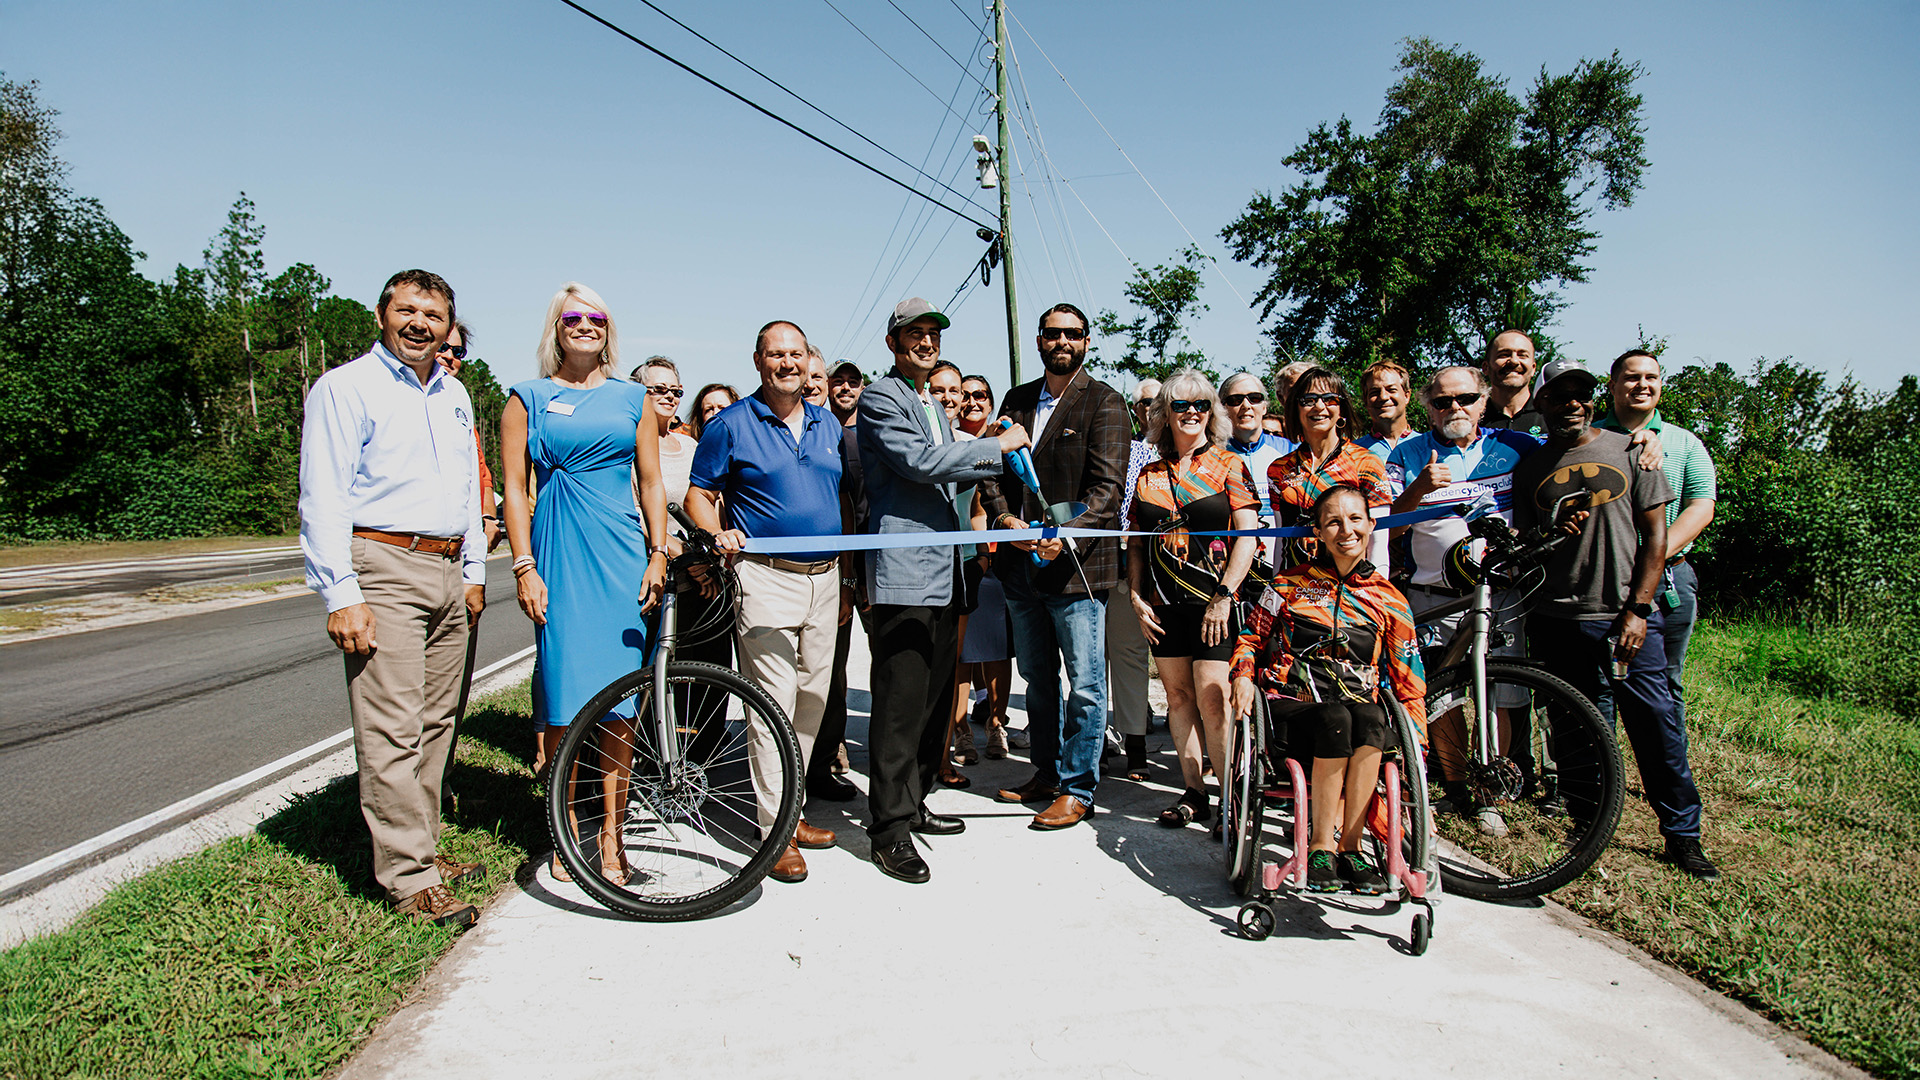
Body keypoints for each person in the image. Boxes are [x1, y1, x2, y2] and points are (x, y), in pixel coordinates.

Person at [299, 269, 489, 927]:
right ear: (382, 315)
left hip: (444, 568)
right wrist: (340, 592)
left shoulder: (454, 394)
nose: (419, 323)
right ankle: (409, 880)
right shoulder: (345, 388)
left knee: (438, 720)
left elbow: (468, 488)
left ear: (446, 325)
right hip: (380, 563)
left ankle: (425, 848)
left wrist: (472, 570)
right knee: (391, 726)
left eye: (432, 315)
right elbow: (322, 494)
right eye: (406, 310)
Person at [1512, 358, 1717, 880]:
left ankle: (1682, 836)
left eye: (1580, 394)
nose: (1571, 404)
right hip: (1557, 616)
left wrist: (1639, 610)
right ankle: (1588, 823)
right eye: (1559, 396)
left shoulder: (1630, 451)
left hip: (1623, 615)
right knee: (1577, 726)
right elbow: (1528, 542)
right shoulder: (1531, 467)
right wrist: (1552, 532)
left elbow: (1657, 539)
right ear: (1541, 403)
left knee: (1656, 723)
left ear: (1592, 399)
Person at [502, 282, 670, 887]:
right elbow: (515, 489)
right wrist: (524, 565)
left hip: (622, 554)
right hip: (558, 555)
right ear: (556, 328)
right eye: (573, 317)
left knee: (621, 703)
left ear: (608, 328)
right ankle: (565, 831)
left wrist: (657, 552)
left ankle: (612, 839)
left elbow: (651, 482)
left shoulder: (633, 399)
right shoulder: (528, 398)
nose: (585, 325)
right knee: (566, 697)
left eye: (596, 317)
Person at [856, 298, 1028, 882]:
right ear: (893, 341)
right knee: (900, 705)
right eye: (915, 334)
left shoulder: (930, 399)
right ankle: (888, 830)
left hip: (945, 572)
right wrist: (994, 448)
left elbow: (955, 467)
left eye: (933, 334)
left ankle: (914, 800)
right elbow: (920, 463)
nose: (926, 342)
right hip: (905, 573)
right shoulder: (883, 397)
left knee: (932, 702)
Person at [687, 320, 848, 884]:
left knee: (811, 699)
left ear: (808, 361)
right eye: (776, 354)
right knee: (771, 704)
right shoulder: (731, 425)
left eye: (796, 354)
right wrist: (717, 533)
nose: (788, 363)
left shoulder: (827, 422)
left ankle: (792, 810)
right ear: (758, 361)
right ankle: (774, 830)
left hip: (825, 580)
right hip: (764, 577)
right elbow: (698, 494)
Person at [1230, 484, 1427, 893]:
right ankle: (1321, 846)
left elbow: (1409, 682)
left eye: (1356, 519)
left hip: (1358, 721)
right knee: (1336, 716)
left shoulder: (1390, 601)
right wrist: (1243, 676)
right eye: (1333, 522)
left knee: (1372, 716)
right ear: (1317, 533)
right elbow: (1250, 637)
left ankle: (1351, 848)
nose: (1346, 530)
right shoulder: (1286, 585)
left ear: (1372, 526)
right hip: (1293, 713)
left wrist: (1417, 746)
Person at [978, 303, 1129, 831]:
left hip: (1078, 572)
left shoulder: (1106, 403)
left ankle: (1078, 787)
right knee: (1037, 682)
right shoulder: (1017, 399)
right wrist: (1002, 517)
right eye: (1052, 333)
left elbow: (1106, 493)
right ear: (1039, 340)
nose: (1062, 341)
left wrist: (1063, 537)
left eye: (1073, 334)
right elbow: (990, 468)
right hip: (1022, 570)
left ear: (1087, 341)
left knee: (1086, 685)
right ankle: (1045, 773)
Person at [1384, 365, 1530, 831]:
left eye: (1465, 398)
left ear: (1483, 401)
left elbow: (1575, 455)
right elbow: (1390, 527)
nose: (1455, 409)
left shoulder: (1518, 447)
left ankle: (1492, 791)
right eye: (1443, 401)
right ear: (1426, 407)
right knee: (1443, 695)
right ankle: (1458, 784)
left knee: (1500, 692)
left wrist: (1640, 442)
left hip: (1501, 591)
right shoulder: (1408, 454)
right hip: (1433, 595)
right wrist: (1419, 488)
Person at [1127, 371, 1261, 829]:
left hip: (1214, 603)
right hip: (1162, 605)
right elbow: (1135, 543)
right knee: (1178, 697)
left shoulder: (1229, 465)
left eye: (1200, 405)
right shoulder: (1148, 475)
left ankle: (1230, 798)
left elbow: (1248, 537)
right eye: (1180, 405)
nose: (1191, 412)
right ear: (1163, 413)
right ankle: (1194, 793)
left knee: (1213, 698)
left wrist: (1225, 596)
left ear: (1212, 412)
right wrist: (1134, 595)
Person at [1597, 350, 1717, 735]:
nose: (1642, 385)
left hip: (1670, 578)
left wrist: (1654, 557)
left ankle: (1669, 773)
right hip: (1602, 580)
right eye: (1632, 377)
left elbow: (1701, 505)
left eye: (1651, 377)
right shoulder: (1591, 437)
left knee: (1666, 682)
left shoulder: (1685, 442)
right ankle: (1601, 780)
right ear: (1612, 385)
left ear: (1661, 385)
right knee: (1599, 684)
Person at [634, 355, 733, 690]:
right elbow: (638, 511)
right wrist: (684, 558)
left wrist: (710, 559)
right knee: (656, 672)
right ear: (638, 391)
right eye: (658, 389)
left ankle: (707, 741)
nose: (670, 397)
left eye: (676, 390)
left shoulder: (691, 445)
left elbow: (711, 502)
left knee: (706, 672)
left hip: (704, 574)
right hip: (659, 576)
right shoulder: (628, 446)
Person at [1267, 366, 1393, 570]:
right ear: (1295, 409)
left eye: (1329, 399)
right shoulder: (1278, 469)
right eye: (1308, 400)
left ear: (1341, 408)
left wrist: (1373, 593)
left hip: (1347, 588)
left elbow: (1377, 541)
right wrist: (1275, 587)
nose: (1319, 406)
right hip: (1295, 589)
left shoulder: (1366, 462)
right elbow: (1281, 540)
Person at [956, 373, 1019, 759]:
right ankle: (960, 728)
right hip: (962, 557)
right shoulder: (947, 442)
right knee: (961, 651)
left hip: (1001, 557)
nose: (972, 402)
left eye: (981, 395)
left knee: (997, 647)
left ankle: (997, 723)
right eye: (965, 395)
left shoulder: (1006, 439)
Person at [1103, 380, 1161, 781]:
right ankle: (1096, 743)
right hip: (1100, 562)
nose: (1152, 408)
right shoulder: (1116, 448)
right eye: (1145, 402)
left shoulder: (1165, 452)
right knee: (1092, 661)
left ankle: (1136, 745)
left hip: (1146, 567)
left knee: (1129, 656)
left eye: (1161, 401)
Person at [435, 323, 501, 552]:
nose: (449, 356)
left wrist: (489, 517)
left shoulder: (459, 401)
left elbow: (480, 469)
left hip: (462, 539)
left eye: (457, 351)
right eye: (442, 347)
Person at [1482, 330, 1547, 441]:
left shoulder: (1549, 415)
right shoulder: (1474, 419)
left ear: (1533, 368)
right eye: (1504, 355)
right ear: (1486, 367)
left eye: (1522, 355)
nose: (1514, 361)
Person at [1355, 359, 1417, 461]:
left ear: (1407, 396)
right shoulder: (1352, 454)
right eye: (1374, 392)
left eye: (1391, 390)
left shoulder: (1429, 447)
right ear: (1365, 400)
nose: (1383, 397)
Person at [828, 359, 866, 426]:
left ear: (862, 390)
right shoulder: (817, 431)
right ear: (827, 388)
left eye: (853, 382)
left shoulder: (873, 432)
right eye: (838, 381)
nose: (846, 387)